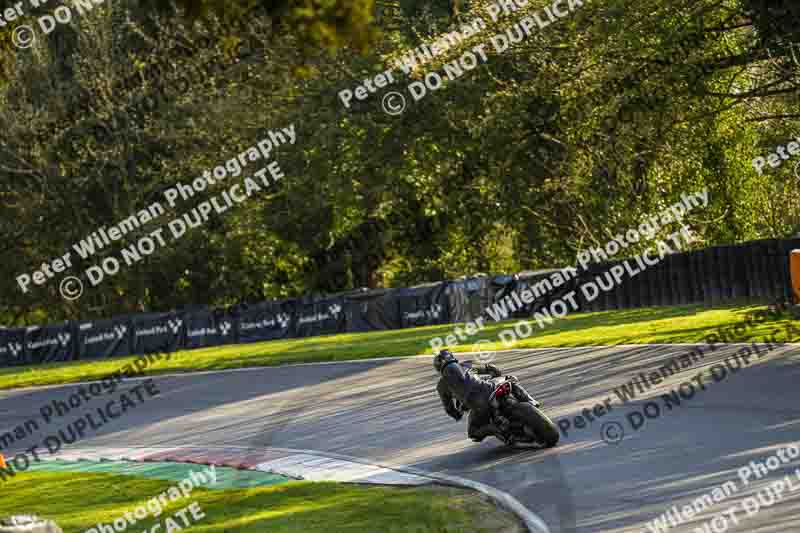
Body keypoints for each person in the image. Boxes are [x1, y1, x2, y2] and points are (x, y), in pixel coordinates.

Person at [433, 349, 538, 443]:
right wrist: (495, 374)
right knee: (510, 379)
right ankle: (531, 401)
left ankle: (504, 434)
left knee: (473, 433)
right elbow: (492, 369)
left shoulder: (442, 386)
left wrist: (457, 415)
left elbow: (449, 408)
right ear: (452, 358)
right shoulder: (466, 366)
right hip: (491, 389)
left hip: (479, 407)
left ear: (438, 368)